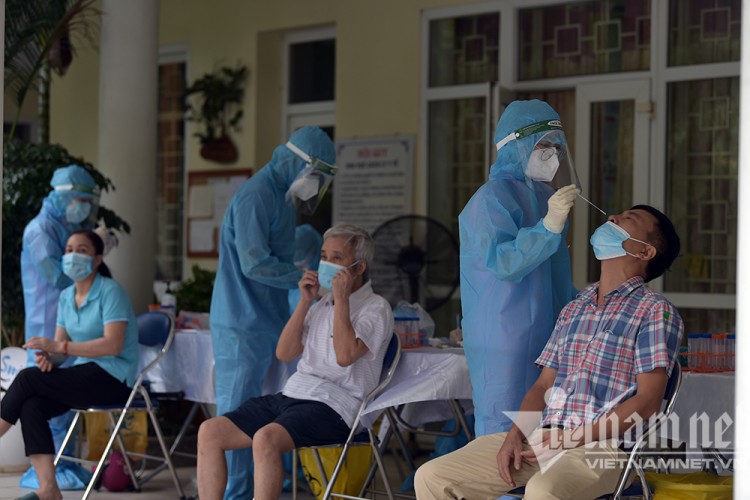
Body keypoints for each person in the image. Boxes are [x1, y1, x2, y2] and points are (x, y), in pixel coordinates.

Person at [415, 205, 684, 500]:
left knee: (542, 491)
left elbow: (647, 402)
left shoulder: (654, 311)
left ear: (645, 251)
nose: (613, 218)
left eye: (629, 219)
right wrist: (514, 436)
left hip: (603, 449)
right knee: (433, 476)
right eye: (617, 215)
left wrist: (571, 439)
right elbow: (543, 385)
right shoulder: (574, 308)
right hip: (542, 439)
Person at [198, 223, 394, 500]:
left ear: (359, 267)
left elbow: (344, 356)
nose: (327, 264)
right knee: (210, 431)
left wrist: (342, 301)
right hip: (295, 394)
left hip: (337, 405)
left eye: (337, 258)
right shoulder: (321, 305)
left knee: (266, 438)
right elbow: (284, 352)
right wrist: (305, 302)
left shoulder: (376, 308)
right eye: (324, 257)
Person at [209, 125, 336, 499]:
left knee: (264, 411)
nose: (314, 185)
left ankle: (263, 483)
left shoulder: (279, 198)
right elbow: (254, 264)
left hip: (265, 319)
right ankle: (235, 492)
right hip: (241, 321)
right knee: (236, 415)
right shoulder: (255, 195)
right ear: (297, 162)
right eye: (315, 175)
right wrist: (302, 278)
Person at [459, 99, 580, 436]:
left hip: (547, 332)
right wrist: (548, 226)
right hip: (503, 335)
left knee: (542, 426)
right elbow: (504, 263)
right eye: (544, 146)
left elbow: (556, 273)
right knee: (504, 425)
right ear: (516, 145)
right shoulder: (490, 199)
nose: (552, 155)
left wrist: (577, 309)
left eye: (557, 147)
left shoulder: (545, 198)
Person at [1, 230, 139, 500]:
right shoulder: (66, 296)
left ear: (97, 259)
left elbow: (113, 345)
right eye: (69, 249)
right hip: (85, 374)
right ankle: (49, 489)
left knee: (28, 379)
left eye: (82, 250)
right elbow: (60, 351)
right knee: (32, 406)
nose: (73, 255)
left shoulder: (111, 291)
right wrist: (49, 357)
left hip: (115, 379)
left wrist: (59, 348)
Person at [19, 164, 101, 488]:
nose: (84, 208)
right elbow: (56, 276)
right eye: (81, 200)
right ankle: (46, 471)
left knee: (67, 395)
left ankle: (65, 461)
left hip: (68, 324)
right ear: (64, 196)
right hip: (46, 320)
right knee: (44, 393)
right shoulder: (39, 230)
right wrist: (89, 262)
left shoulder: (68, 226)